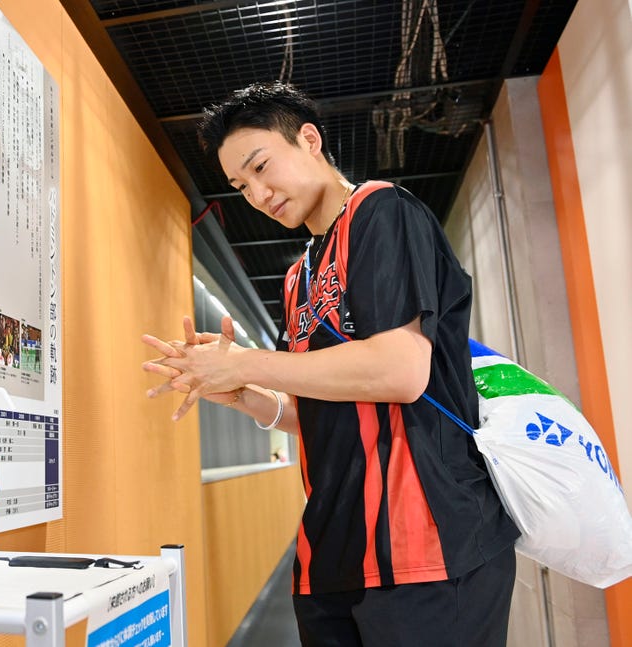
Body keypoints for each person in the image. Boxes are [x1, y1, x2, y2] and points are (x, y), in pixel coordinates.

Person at [141, 82, 519, 646]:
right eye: (242, 186)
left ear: (310, 139)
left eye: (261, 166)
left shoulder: (380, 211)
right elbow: (322, 407)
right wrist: (248, 395)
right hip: (331, 552)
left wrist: (250, 362)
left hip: (426, 542)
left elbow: (400, 372)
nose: (259, 194)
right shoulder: (297, 278)